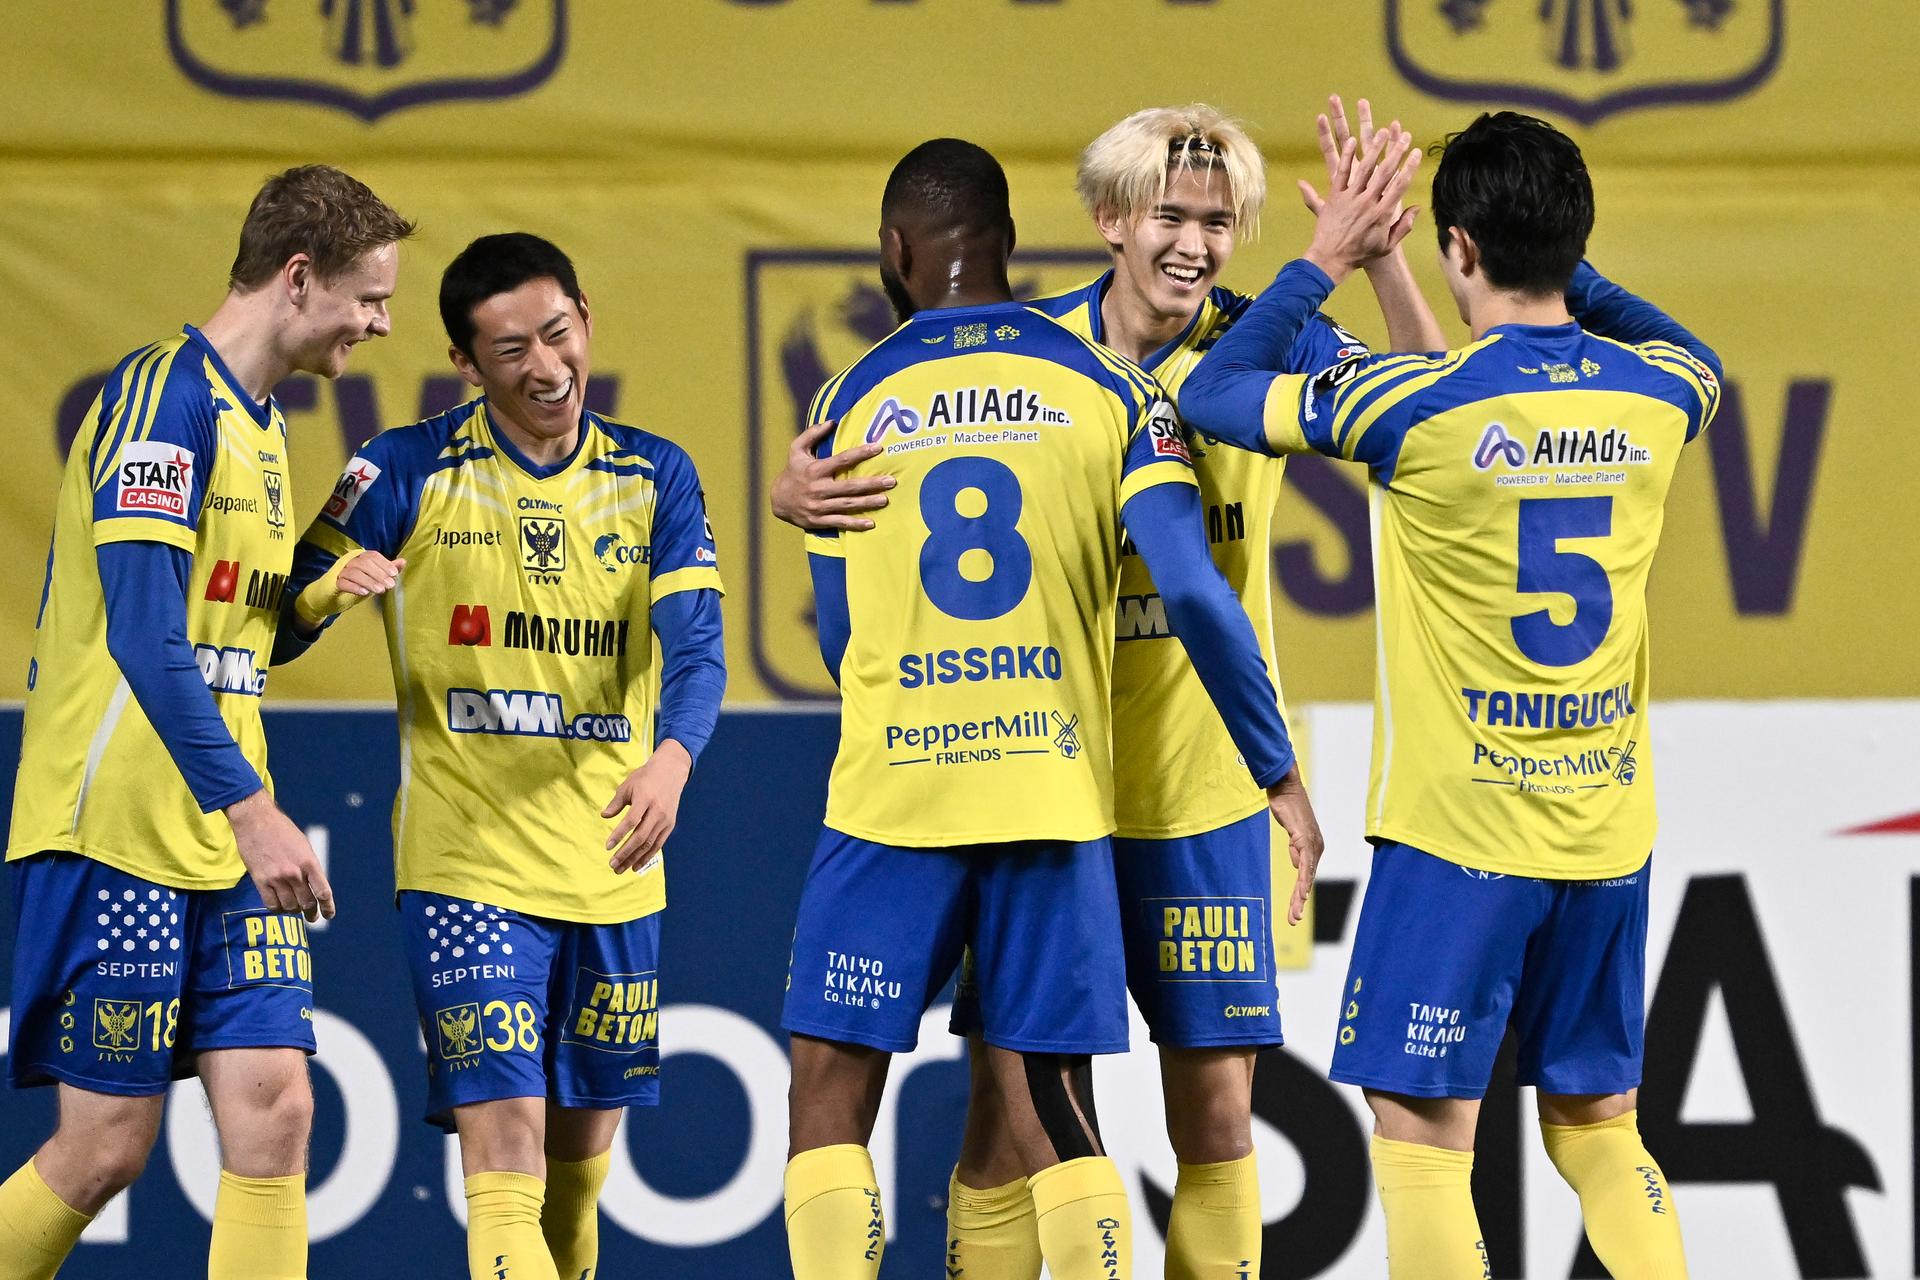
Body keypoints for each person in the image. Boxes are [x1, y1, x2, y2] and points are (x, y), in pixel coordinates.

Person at [774, 99, 1446, 1279]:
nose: (1195, 244)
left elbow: (1432, 418)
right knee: (1006, 1115)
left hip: (1195, 783)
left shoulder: (1267, 338)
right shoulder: (1052, 353)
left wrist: (1385, 264)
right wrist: (796, 494)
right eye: (1171, 217)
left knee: (1220, 1119)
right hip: (1060, 786)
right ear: (1109, 222)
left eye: (1220, 221)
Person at [1180, 111, 1718, 1278]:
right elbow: (1667, 346)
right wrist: (1433, 254)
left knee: (1425, 1146)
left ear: (1457, 249)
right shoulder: (1666, 394)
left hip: (1458, 837)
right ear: (1572, 241)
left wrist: (1331, 255)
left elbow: (1219, 392)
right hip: (1604, 835)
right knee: (1601, 1129)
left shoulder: (1414, 412)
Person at [279, 232, 726, 1280]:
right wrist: (323, 591)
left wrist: (673, 758)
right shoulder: (399, 467)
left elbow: (697, 645)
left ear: (586, 322)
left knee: (577, 1173)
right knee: (507, 1153)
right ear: (465, 364)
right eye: (513, 347)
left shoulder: (655, 474)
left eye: (559, 332)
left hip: (611, 867)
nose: (547, 365)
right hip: (467, 863)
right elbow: (285, 612)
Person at [0, 165, 412, 1280]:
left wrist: (321, 592)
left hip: (220, 837)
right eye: (369, 296)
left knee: (278, 1116)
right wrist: (256, 812)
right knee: (104, 1148)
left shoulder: (266, 426)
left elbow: (237, 639)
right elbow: (143, 636)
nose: (379, 322)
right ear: (296, 277)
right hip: (120, 828)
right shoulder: (157, 398)